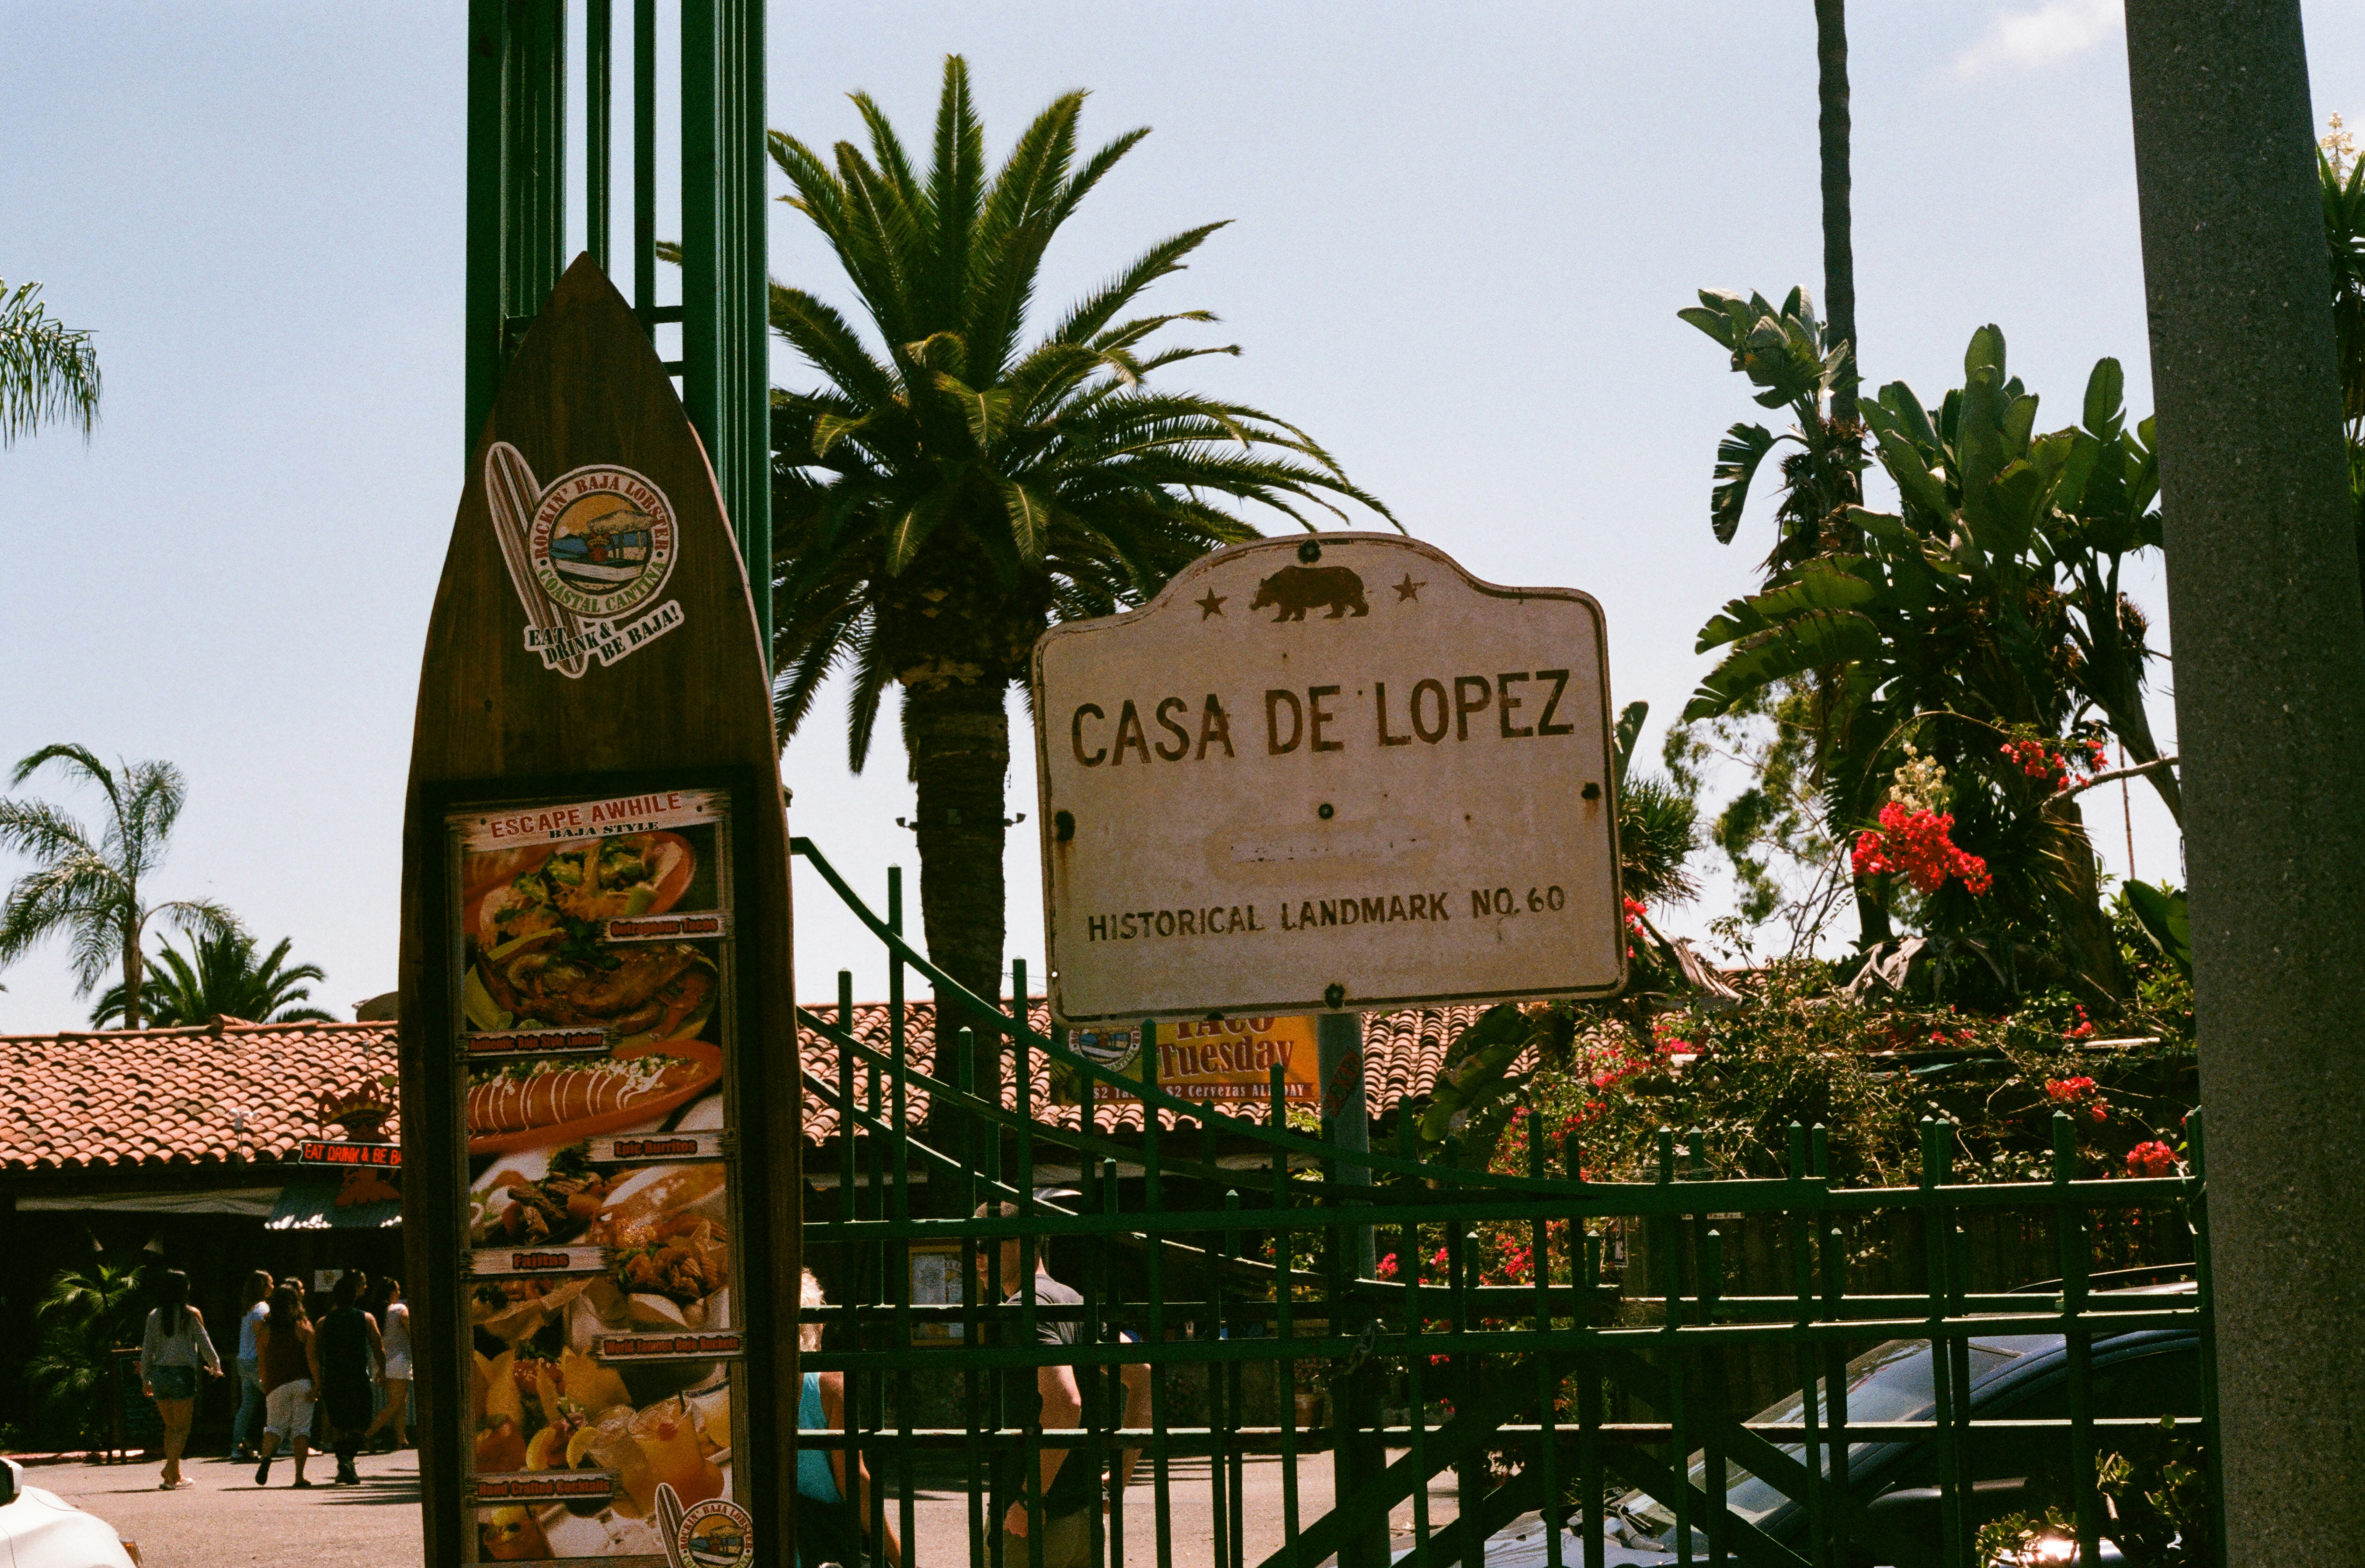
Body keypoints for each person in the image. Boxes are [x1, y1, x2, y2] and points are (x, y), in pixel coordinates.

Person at [973, 1203, 1151, 1568]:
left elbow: (1065, 1404)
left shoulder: (1024, 1308)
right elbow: (1143, 1374)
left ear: (1025, 1243)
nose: (979, 1257)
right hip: (1082, 1518)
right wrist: (1121, 1473)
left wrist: (1029, 1499)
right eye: (975, 1246)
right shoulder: (1072, 1300)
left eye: (987, 1244)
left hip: (1036, 1524)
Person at [795, 1269, 902, 1568]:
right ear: (818, 1323)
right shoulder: (827, 1386)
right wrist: (901, 1558)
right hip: (823, 1550)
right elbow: (855, 1483)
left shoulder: (740, 1389)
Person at [138, 1269, 222, 1490]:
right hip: (182, 1375)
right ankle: (169, 1469)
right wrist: (216, 1365)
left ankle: (174, 1477)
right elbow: (205, 1342)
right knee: (183, 1428)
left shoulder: (154, 1315)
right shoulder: (190, 1314)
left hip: (159, 1374)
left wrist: (146, 1379)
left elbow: (147, 1350)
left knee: (170, 1427)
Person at [317, 1270, 384, 1485]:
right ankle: (348, 1461)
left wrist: (317, 1380)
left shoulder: (323, 1322)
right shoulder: (366, 1318)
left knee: (339, 1425)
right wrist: (382, 1370)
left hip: (334, 1377)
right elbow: (378, 1347)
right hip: (357, 1376)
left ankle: (343, 1466)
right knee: (361, 1423)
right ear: (354, 1296)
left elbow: (316, 1353)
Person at [253, 1279, 321, 1487]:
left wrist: (265, 1383)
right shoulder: (304, 1326)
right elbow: (312, 1359)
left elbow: (262, 1362)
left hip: (276, 1384)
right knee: (301, 1430)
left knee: (274, 1427)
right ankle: (299, 1476)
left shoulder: (265, 1331)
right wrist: (318, 1384)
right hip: (302, 1382)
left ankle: (266, 1458)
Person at [361, 1276, 411, 1451]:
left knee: (400, 1401)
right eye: (397, 1290)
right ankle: (366, 1435)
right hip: (399, 1360)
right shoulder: (399, 1309)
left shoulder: (377, 1312)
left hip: (383, 1361)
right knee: (396, 1403)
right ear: (391, 1293)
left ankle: (401, 1439)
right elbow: (412, 1330)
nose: (399, 1293)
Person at [229, 1270, 273, 1463]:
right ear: (263, 1288)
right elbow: (262, 1338)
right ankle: (281, 1443)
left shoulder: (250, 1308)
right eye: (270, 1283)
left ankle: (236, 1446)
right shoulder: (262, 1309)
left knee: (247, 1405)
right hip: (256, 1361)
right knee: (276, 1399)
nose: (273, 1287)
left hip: (243, 1361)